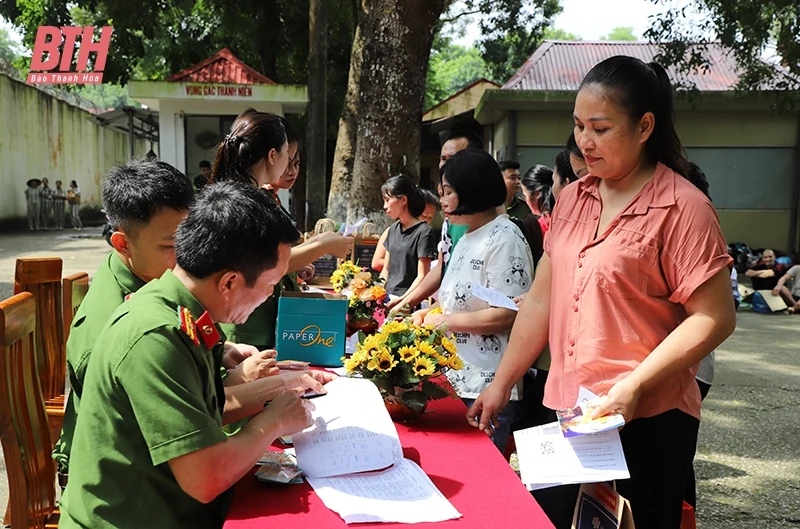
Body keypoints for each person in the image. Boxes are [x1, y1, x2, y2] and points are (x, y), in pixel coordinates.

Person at [467, 56, 736, 529]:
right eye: (577, 127)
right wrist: (503, 381)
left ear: (645, 126)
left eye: (600, 128)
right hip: (570, 410)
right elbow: (541, 300)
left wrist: (633, 384)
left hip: (646, 416)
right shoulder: (572, 199)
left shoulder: (683, 208)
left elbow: (713, 316)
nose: (584, 142)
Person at [58, 181, 336, 529]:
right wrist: (275, 421)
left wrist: (280, 386)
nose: (270, 297)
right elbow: (204, 478)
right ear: (229, 283)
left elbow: (202, 412)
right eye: (269, 286)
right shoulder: (156, 335)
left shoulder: (180, 310)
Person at [413, 149, 533, 453]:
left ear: (473, 188)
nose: (443, 200)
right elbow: (456, 300)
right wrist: (428, 313)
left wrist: (445, 321)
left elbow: (508, 314)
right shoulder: (467, 236)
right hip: (454, 378)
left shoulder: (505, 237)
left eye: (449, 191)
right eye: (442, 192)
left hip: (486, 385)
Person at [214, 114, 352, 350]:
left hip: (253, 320)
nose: (291, 165)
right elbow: (267, 264)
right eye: (288, 155)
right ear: (272, 155)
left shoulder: (242, 196)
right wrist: (322, 246)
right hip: (249, 328)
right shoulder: (247, 203)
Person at [388, 133, 480, 311]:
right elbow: (442, 267)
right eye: (442, 158)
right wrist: (406, 303)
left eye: (452, 159)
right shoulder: (448, 222)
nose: (445, 164)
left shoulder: (495, 229)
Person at [381, 175, 437, 299]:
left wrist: (403, 301)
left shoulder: (424, 231)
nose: (385, 206)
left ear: (403, 200)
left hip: (409, 302)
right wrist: (376, 292)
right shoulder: (393, 229)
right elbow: (386, 269)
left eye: (387, 200)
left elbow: (422, 275)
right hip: (386, 298)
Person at [373, 188, 439, 273]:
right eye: (424, 215)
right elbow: (377, 262)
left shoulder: (425, 233)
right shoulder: (392, 230)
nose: (427, 220)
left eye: (430, 217)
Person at [520, 164, 554, 235]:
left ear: (537, 194)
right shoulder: (564, 212)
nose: (526, 200)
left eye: (525, 195)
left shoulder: (542, 225)